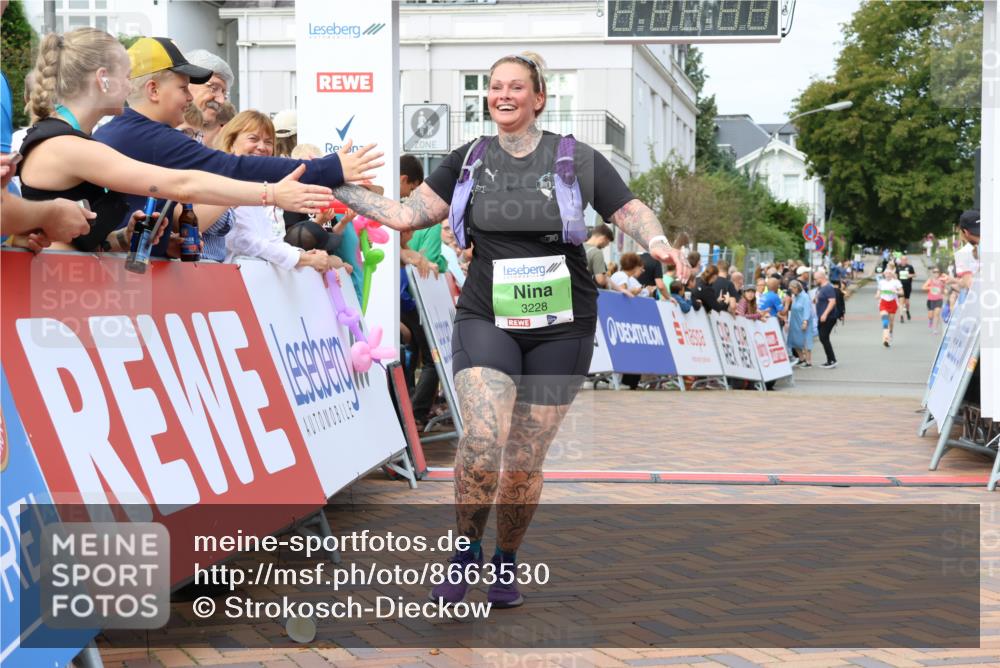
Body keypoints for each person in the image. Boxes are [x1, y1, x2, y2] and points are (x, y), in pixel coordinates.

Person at [328, 51, 689, 609]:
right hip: (486, 316)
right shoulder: (467, 159)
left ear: (538, 97)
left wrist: (658, 242)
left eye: (515, 86)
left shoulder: (575, 158)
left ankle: (506, 560)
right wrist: (330, 182)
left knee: (522, 458)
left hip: (562, 327)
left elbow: (630, 211)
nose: (502, 94)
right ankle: (464, 552)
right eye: (494, 86)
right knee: (481, 437)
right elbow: (404, 216)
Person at [14, 28, 335, 254]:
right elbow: (181, 184)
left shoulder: (75, 142)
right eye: (127, 76)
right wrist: (273, 193)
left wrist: (121, 239)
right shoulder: (67, 146)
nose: (131, 87)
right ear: (103, 79)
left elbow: (75, 240)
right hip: (53, 300)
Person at [93, 36, 382, 257]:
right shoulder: (149, 137)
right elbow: (232, 167)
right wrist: (328, 167)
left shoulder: (132, 132)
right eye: (183, 88)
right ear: (153, 90)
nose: (188, 97)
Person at [219, 111, 342, 273]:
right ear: (231, 142)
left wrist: (305, 256)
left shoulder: (263, 185)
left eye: (268, 142)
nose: (262, 147)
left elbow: (273, 240)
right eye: (253, 139)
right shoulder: (222, 181)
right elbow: (241, 239)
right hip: (233, 282)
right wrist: (303, 258)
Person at [183, 49, 234, 149]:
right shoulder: (157, 133)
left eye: (224, 94)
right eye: (214, 88)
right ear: (187, 83)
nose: (221, 100)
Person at [814, 268, 838, 368]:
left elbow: (832, 301)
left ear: (821, 278)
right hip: (822, 316)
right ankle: (830, 359)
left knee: (823, 337)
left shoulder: (828, 287)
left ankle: (832, 360)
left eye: (816, 279)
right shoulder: (821, 288)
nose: (815, 281)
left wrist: (825, 314)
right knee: (823, 337)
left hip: (828, 317)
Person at [785, 280, 813, 367]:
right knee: (795, 341)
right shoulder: (794, 296)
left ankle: (808, 362)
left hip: (803, 321)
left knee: (805, 341)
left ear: (797, 288)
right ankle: (801, 359)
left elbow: (807, 309)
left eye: (792, 289)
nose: (791, 291)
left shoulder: (805, 297)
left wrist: (805, 321)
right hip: (794, 321)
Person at [876, 266, 904, 347]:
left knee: (891, 322)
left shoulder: (896, 282)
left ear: (892, 274)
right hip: (883, 303)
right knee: (885, 321)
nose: (887, 274)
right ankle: (885, 339)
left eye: (889, 273)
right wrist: (877, 295)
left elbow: (902, 293)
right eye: (886, 273)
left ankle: (890, 333)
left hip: (893, 303)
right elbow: (878, 292)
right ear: (884, 274)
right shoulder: (881, 282)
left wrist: (895, 291)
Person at [583, 223, 613, 287]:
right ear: (603, 238)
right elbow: (600, 280)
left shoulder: (578, 247)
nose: (606, 246)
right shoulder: (597, 252)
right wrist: (605, 276)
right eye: (607, 242)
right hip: (584, 290)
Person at [923, 267, 946, 334]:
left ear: (939, 273)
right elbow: (923, 287)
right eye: (934, 272)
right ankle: (930, 320)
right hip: (931, 299)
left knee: (937, 314)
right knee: (930, 315)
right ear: (933, 273)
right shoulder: (930, 280)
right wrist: (930, 287)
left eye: (937, 272)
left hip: (939, 299)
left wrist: (945, 291)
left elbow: (944, 289)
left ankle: (935, 329)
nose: (936, 273)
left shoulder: (942, 281)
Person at [896, 255, 915, 322]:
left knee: (906, 302)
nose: (903, 261)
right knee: (901, 301)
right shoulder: (898, 267)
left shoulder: (910, 267)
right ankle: (901, 316)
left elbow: (914, 274)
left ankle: (907, 311)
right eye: (902, 260)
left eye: (905, 260)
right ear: (900, 260)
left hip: (908, 286)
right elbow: (896, 275)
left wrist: (910, 275)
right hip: (900, 287)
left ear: (907, 260)